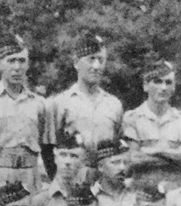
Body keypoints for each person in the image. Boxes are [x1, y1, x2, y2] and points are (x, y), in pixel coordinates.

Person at [0, 33, 46, 192]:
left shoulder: (39, 104)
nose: (17, 67)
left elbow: (47, 147)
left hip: (29, 176)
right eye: (11, 61)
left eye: (22, 61)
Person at [45, 31, 123, 164]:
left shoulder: (114, 104)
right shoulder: (61, 103)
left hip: (104, 179)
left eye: (101, 60)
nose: (96, 66)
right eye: (91, 59)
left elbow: (119, 147)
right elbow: (49, 149)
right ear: (76, 62)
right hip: (73, 177)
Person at [122, 58, 181, 191]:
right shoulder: (132, 118)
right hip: (143, 188)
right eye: (157, 81)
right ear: (145, 85)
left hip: (176, 188)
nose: (163, 88)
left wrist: (156, 150)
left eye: (168, 83)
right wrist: (174, 155)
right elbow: (133, 158)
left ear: (173, 87)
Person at [31, 130, 87, 206]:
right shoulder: (40, 201)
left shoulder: (88, 198)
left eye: (73, 156)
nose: (67, 162)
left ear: (82, 161)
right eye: (63, 155)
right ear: (55, 157)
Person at [91, 139, 134, 206]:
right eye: (116, 162)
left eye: (126, 163)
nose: (122, 168)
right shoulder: (91, 197)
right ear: (101, 167)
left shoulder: (136, 193)